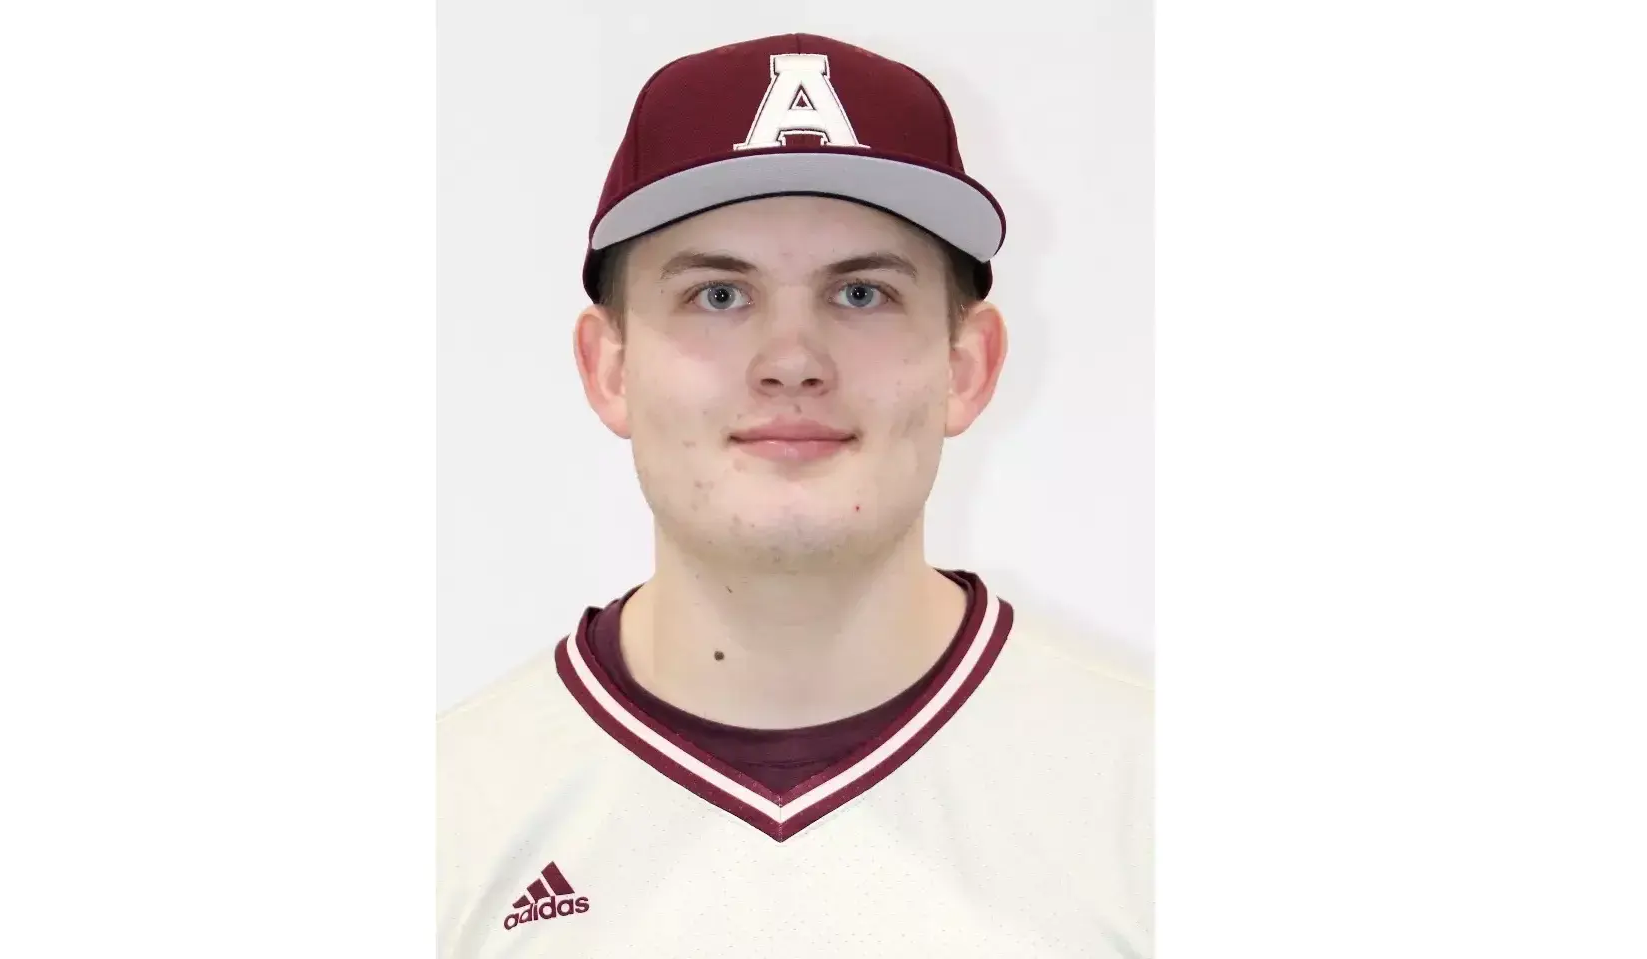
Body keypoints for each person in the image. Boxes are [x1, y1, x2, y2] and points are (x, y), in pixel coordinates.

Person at [438, 32, 1152, 958]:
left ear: (967, 366)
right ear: (609, 367)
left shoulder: (1152, 802)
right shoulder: (445, 823)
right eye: (718, 296)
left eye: (860, 294)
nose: (791, 361)